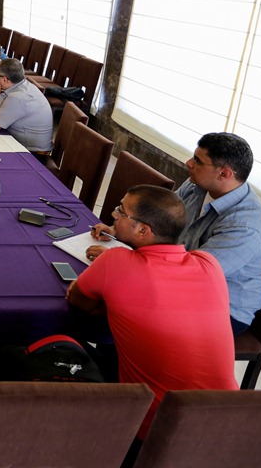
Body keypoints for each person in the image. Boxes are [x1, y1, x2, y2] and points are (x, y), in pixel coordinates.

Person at [68, 185, 238, 440]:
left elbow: (77, 300)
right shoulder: (209, 263)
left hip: (152, 430)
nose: (114, 215)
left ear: (143, 230)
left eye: (121, 211)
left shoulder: (114, 261)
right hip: (226, 424)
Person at [88, 133, 261, 334]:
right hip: (179, 275)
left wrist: (123, 263)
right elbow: (162, 222)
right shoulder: (197, 185)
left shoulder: (247, 225)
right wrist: (119, 231)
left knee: (118, 305)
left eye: (198, 161)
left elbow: (192, 275)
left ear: (224, 174)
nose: (188, 163)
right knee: (104, 291)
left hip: (219, 309)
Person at [0, 58, 53, 154]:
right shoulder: (24, 85)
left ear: (5, 79)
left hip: (33, 153)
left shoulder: (17, 98)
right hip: (31, 145)